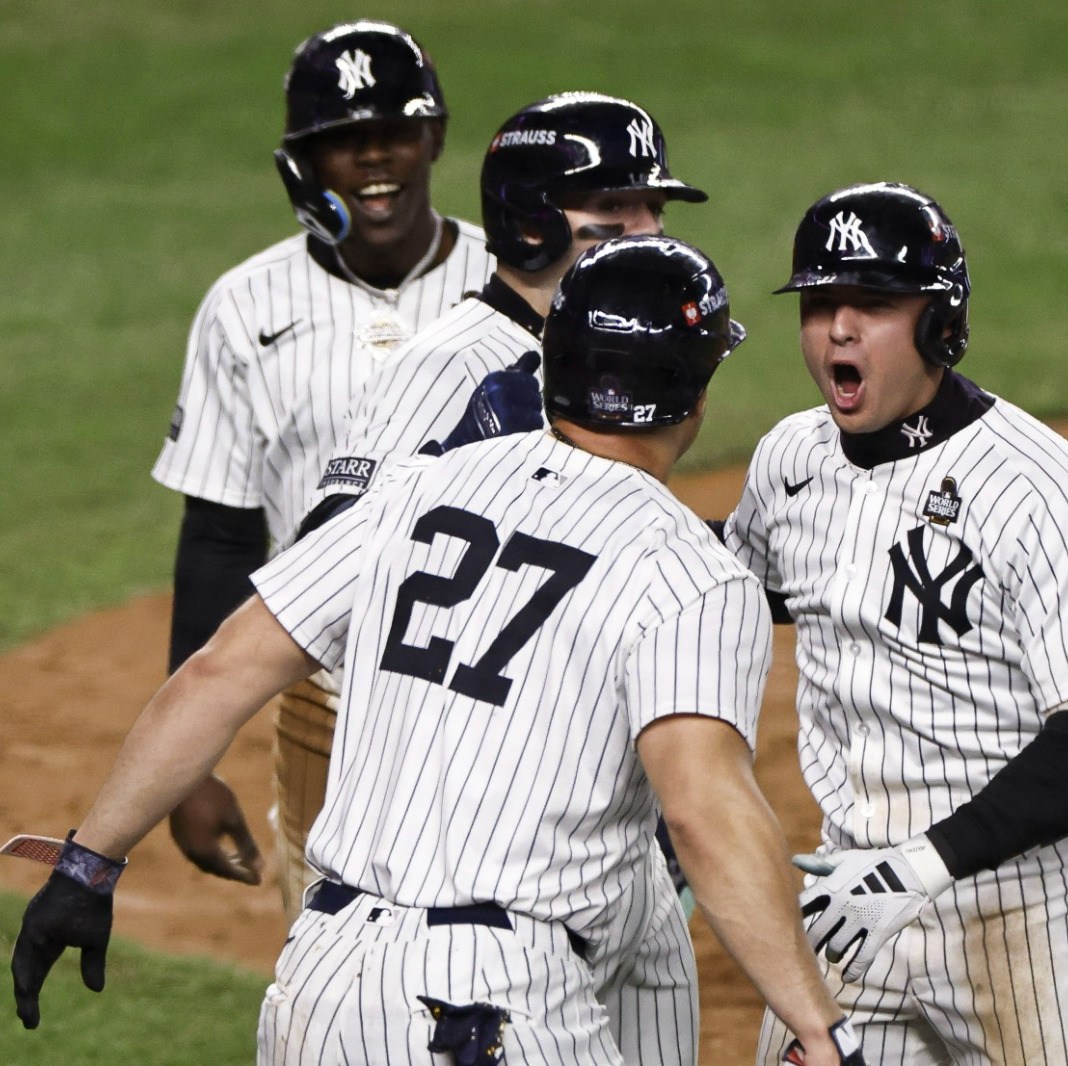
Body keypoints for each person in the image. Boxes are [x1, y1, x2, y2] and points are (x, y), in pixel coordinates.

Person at [11, 236, 867, 1066]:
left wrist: (87, 866)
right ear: (694, 394)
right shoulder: (690, 571)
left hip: (320, 984)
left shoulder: (416, 488)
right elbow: (703, 812)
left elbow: (219, 669)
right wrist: (817, 1024)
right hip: (490, 1005)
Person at [717, 182, 1068, 1065]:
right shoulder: (790, 459)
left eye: (873, 304)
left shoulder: (1047, 491)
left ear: (938, 325)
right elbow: (729, 590)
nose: (838, 329)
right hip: (848, 898)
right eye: (820, 303)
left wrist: (919, 869)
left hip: (1026, 912)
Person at [297, 90, 709, 933]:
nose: (651, 230)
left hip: (580, 783)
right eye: (616, 208)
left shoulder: (601, 354)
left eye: (654, 206)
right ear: (532, 222)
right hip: (465, 795)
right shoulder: (448, 366)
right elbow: (325, 565)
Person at [150, 21, 494, 894]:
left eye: (394, 135)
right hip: (326, 698)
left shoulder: (514, 284)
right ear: (304, 162)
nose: (373, 161)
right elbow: (220, 535)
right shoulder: (244, 307)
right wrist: (189, 764)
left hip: (506, 681)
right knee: (332, 965)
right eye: (342, 142)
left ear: (436, 138)